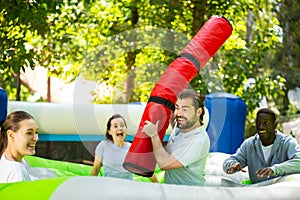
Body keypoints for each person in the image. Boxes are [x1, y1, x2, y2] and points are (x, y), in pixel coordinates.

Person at [142, 89, 210, 186]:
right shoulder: (180, 125)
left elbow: (164, 163)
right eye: (177, 107)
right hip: (173, 192)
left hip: (190, 194)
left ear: (198, 111)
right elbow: (169, 112)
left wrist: (154, 135)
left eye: (185, 109)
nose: (179, 113)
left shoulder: (198, 140)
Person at [223, 108, 300, 184]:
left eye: (266, 123)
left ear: (275, 125)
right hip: (257, 194)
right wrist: (233, 164)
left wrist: (274, 169)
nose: (261, 127)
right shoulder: (249, 144)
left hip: (282, 193)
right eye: (258, 123)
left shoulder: (287, 142)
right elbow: (228, 162)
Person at [0, 110, 39, 183]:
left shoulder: (5, 157)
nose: (36, 138)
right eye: (29, 133)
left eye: (36, 132)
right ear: (11, 135)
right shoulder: (17, 172)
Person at [91, 114, 133, 180]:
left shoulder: (132, 148)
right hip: (109, 186)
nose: (120, 128)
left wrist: (155, 184)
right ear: (109, 131)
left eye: (122, 125)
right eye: (115, 126)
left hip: (127, 187)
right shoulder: (103, 146)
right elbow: (96, 169)